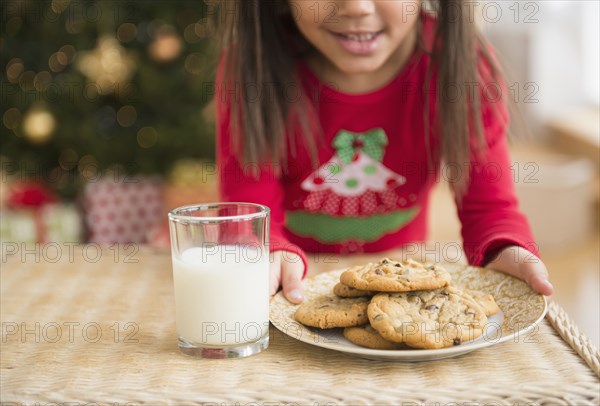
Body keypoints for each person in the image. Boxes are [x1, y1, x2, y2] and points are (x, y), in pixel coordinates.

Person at [215, 0, 554, 304]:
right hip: (292, 291)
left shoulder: (461, 67)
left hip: (405, 276)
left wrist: (507, 249)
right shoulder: (251, 69)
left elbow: (490, 212)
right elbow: (249, 219)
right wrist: (266, 252)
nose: (357, 7)